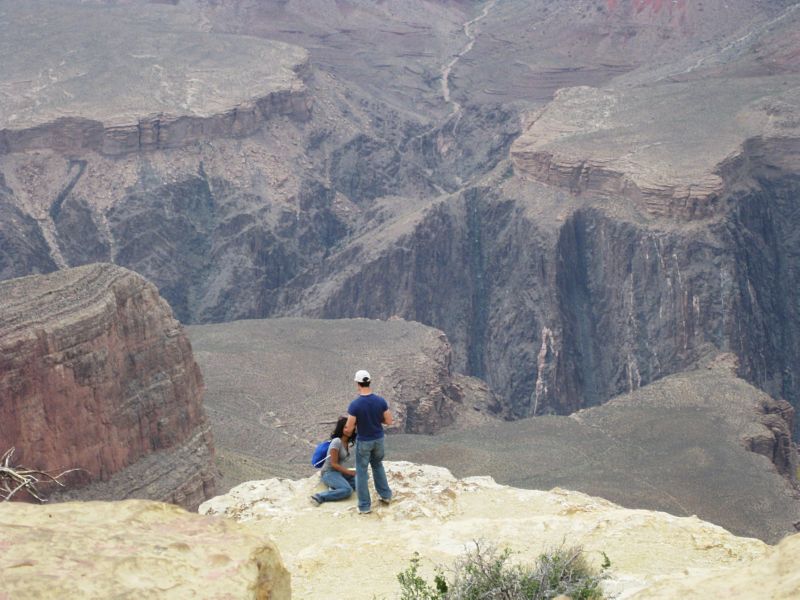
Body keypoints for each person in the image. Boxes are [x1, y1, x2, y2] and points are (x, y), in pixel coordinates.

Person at [343, 369, 393, 514]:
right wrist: (376, 420)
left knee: (361, 472)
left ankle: (364, 506)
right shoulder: (380, 401)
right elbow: (389, 421)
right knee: (377, 465)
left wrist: (346, 432)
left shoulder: (355, 405)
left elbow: (349, 428)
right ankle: (386, 496)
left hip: (364, 441)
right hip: (379, 439)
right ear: (369, 381)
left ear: (357, 384)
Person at [311, 416, 356, 505]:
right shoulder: (336, 441)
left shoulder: (346, 442)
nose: (349, 430)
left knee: (362, 479)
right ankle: (320, 497)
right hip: (329, 472)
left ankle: (336, 487)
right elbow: (334, 464)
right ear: (341, 428)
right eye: (345, 427)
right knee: (347, 490)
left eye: (350, 427)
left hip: (338, 473)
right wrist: (348, 472)